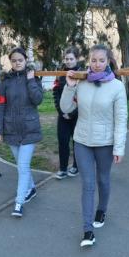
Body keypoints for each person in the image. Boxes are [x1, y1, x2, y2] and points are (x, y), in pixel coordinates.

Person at [60, 44, 127, 247]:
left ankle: (102, 209)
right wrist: (69, 85)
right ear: (88, 61)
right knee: (87, 184)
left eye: (101, 60)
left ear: (108, 62)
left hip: (105, 142)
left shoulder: (116, 86)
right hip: (82, 141)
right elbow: (65, 108)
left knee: (103, 179)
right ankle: (87, 230)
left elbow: (121, 118)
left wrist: (119, 148)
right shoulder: (82, 82)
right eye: (93, 60)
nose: (97, 64)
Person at [0, 48, 43, 217]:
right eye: (14, 60)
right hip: (11, 130)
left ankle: (19, 202)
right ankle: (31, 189)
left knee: (22, 167)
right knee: (22, 166)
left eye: (20, 60)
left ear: (25, 60)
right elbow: (0, 106)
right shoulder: (5, 81)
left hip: (29, 129)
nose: (17, 63)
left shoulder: (34, 78)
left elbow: (38, 100)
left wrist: (30, 80)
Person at [53, 46, 82, 179]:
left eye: (71, 59)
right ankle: (63, 168)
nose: (69, 61)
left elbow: (83, 97)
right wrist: (61, 111)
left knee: (76, 141)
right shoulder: (60, 74)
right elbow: (55, 93)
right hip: (62, 115)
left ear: (77, 59)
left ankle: (76, 166)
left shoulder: (82, 74)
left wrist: (72, 113)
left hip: (77, 115)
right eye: (66, 59)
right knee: (62, 141)